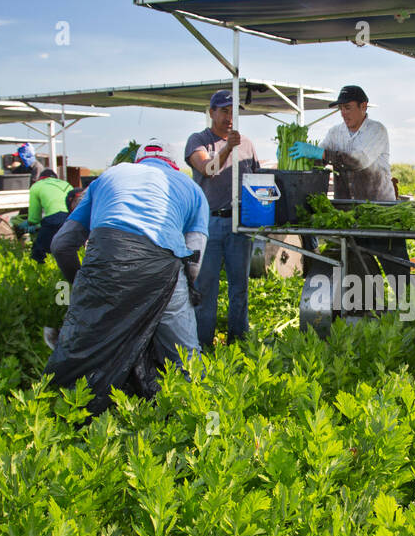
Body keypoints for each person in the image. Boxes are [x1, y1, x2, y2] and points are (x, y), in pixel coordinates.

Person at [46, 139, 208, 415]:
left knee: (82, 345)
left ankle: (62, 417)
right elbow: (194, 255)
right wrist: (182, 291)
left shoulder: (108, 177)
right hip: (162, 263)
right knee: (184, 356)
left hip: (105, 256)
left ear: (137, 162)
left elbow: (61, 244)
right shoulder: (191, 189)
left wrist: (83, 285)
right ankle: (198, 420)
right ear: (174, 165)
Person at [289, 85, 408, 277]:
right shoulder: (336, 133)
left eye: (348, 107)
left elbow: (358, 160)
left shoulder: (376, 130)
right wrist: (296, 155)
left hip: (381, 212)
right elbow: (320, 158)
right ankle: (370, 306)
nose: (344, 113)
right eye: (341, 108)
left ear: (363, 106)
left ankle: (406, 304)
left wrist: (323, 154)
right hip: (349, 215)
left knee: (397, 269)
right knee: (357, 270)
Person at [185, 89, 262, 348]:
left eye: (234, 111)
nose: (230, 116)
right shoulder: (199, 141)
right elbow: (209, 169)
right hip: (209, 224)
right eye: (224, 111)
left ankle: (238, 343)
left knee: (239, 287)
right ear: (212, 113)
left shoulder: (248, 144)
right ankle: (202, 345)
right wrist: (228, 147)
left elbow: (257, 182)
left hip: (239, 224)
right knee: (205, 287)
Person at [20, 168, 72, 262]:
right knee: (69, 250)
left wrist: (31, 223)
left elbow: (34, 215)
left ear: (40, 178)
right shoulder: (66, 184)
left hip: (55, 219)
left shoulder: (37, 186)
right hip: (73, 219)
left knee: (39, 253)